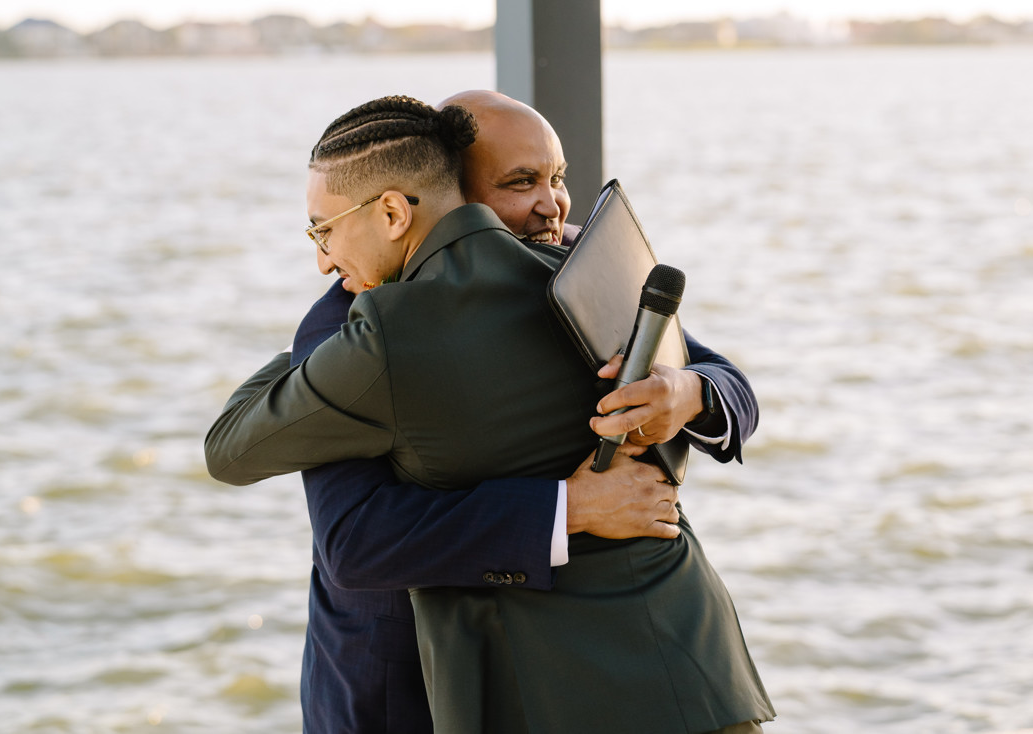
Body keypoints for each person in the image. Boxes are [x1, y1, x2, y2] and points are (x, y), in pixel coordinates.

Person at [207, 95, 773, 733]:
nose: (553, 205)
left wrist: (688, 394)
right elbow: (356, 538)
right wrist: (569, 507)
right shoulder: (348, 323)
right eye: (520, 182)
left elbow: (728, 382)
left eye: (557, 178)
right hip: (405, 687)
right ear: (454, 193)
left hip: (638, 663)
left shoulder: (582, 262)